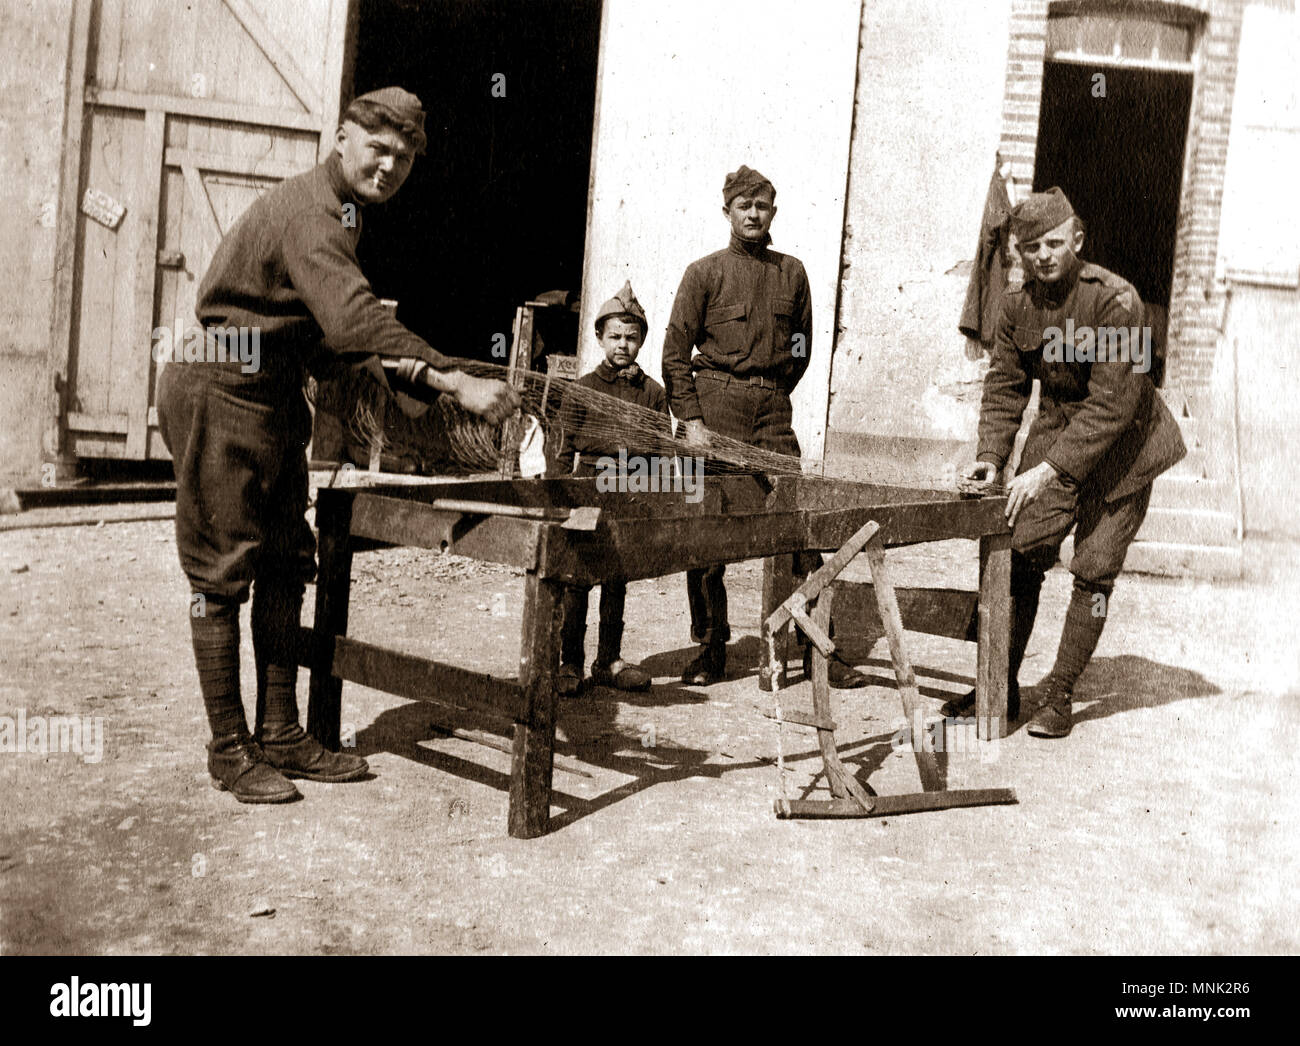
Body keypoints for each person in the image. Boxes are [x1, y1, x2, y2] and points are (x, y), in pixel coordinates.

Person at [156, 87, 521, 803]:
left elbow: (335, 341)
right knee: (221, 574)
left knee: (285, 561)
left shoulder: (345, 213)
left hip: (273, 393)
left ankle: (281, 733)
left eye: (403, 158)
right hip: (219, 388)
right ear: (343, 137)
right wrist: (452, 380)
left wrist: (413, 388)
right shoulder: (312, 212)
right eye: (377, 149)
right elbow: (354, 322)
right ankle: (229, 751)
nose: (389, 167)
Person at [946, 187, 1186, 737]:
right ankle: (999, 683)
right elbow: (1005, 386)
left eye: (1053, 243)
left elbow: (1113, 405)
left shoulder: (1116, 300)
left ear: (1076, 239)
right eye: (1031, 247)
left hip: (1127, 450)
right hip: (1058, 432)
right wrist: (991, 456)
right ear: (1019, 252)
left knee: (1094, 572)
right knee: (1018, 553)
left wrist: (1048, 470)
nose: (1043, 256)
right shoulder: (1015, 305)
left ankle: (1059, 692)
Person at [662, 165, 866, 688]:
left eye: (762, 206)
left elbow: (801, 347)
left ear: (773, 212)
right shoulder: (703, 273)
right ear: (727, 211)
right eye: (744, 206)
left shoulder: (791, 273)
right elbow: (674, 354)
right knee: (707, 534)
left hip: (772, 414)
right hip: (714, 411)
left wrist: (770, 390)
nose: (753, 215)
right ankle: (711, 648)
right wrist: (692, 419)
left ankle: (817, 650)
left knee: (799, 531)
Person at [551, 282, 669, 695]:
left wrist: (653, 501)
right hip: (586, 489)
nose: (623, 345)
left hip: (630, 493)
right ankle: (570, 662)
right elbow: (562, 449)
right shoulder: (582, 389)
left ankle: (608, 660)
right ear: (599, 337)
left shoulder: (653, 394)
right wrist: (559, 497)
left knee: (616, 577)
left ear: (641, 342)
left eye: (631, 337)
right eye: (615, 336)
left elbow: (662, 454)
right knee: (577, 577)